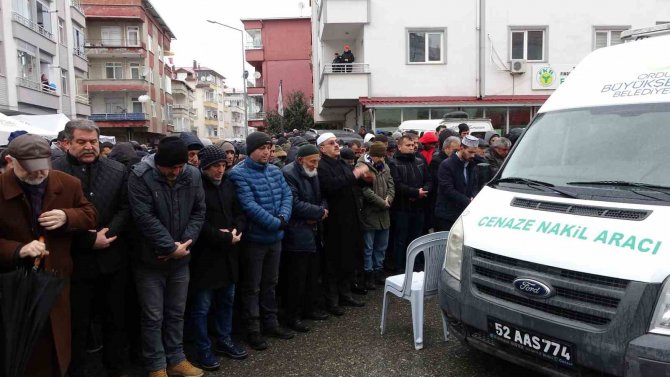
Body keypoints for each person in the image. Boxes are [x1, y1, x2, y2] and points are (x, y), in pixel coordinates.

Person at [0, 134, 97, 377]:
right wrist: (17, 249)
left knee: (58, 344)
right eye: (30, 170)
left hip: (57, 279)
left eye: (42, 168)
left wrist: (68, 217)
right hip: (14, 283)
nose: (38, 175)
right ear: (11, 161)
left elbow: (91, 215)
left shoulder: (68, 183)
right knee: (24, 349)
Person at [52, 120, 130, 377]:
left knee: (114, 320)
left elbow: (125, 208)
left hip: (111, 258)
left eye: (93, 142)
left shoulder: (117, 170)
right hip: (73, 261)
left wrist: (108, 234)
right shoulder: (53, 172)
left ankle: (116, 368)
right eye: (81, 142)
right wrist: (88, 240)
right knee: (77, 324)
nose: (89, 147)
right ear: (66, 143)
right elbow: (48, 217)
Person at [128, 136, 206, 377]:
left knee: (176, 312)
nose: (176, 171)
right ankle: (156, 365)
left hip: (181, 258)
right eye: (171, 167)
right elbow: (144, 217)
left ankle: (176, 358)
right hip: (150, 260)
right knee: (153, 316)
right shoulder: (140, 176)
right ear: (159, 163)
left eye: (180, 167)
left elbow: (198, 211)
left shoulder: (191, 174)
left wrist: (183, 245)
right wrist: (168, 248)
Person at [228, 132, 294, 351]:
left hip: (276, 238)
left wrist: (283, 217)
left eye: (269, 147)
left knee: (271, 283)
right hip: (255, 240)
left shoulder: (275, 170)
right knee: (252, 287)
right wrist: (275, 223)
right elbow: (248, 205)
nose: (267, 152)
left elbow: (287, 196)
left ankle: (271, 323)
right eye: (262, 148)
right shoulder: (238, 174)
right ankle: (253, 329)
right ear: (251, 150)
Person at [189, 146, 247, 371]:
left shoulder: (229, 184)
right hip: (206, 257)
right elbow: (197, 222)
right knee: (202, 307)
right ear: (204, 167)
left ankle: (224, 340)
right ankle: (202, 348)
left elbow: (239, 212)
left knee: (226, 302)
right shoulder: (197, 188)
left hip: (229, 254)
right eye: (215, 166)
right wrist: (222, 237)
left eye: (223, 165)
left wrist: (237, 230)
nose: (220, 170)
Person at [317, 132, 370, 316]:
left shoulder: (340, 162)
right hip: (335, 221)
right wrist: (356, 173)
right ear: (322, 148)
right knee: (333, 262)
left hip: (351, 217)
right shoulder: (321, 166)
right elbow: (332, 185)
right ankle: (332, 301)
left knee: (348, 258)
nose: (337, 145)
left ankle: (346, 293)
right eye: (332, 143)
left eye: (337, 142)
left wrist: (364, 180)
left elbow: (351, 184)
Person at [281, 144, 330, 333]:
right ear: (301, 160)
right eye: (312, 161)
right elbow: (293, 203)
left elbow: (321, 197)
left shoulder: (313, 172)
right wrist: (319, 212)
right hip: (297, 234)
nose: (316, 165)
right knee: (296, 279)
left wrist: (322, 210)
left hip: (313, 231)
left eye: (317, 161)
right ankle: (292, 316)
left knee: (311, 274)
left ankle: (309, 309)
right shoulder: (289, 174)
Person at [388, 135, 432, 272]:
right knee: (401, 239)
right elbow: (397, 184)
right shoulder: (393, 163)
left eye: (413, 145)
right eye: (408, 145)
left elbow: (429, 180)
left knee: (417, 237)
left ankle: (416, 266)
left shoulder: (420, 161)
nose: (412, 147)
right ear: (399, 147)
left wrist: (423, 191)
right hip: (401, 208)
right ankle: (399, 267)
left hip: (418, 207)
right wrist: (414, 193)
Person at [357, 142, 394, 287]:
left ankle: (378, 270)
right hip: (369, 212)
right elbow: (365, 191)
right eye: (380, 156)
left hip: (384, 213)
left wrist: (389, 199)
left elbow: (391, 184)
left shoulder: (384, 165)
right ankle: (368, 273)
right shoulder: (361, 165)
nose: (383, 160)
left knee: (381, 245)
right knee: (368, 246)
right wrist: (381, 202)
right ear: (373, 155)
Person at [434, 135, 480, 231]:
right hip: (447, 215)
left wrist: (473, 196)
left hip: (464, 213)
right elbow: (448, 190)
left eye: (474, 153)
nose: (472, 155)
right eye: (470, 152)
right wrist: (468, 201)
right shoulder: (446, 165)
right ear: (461, 148)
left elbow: (474, 185)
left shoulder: (471, 164)